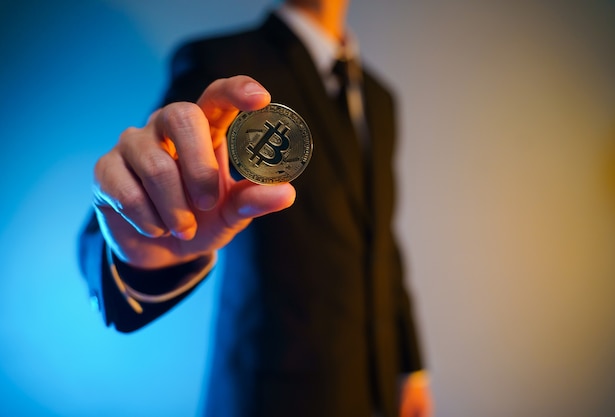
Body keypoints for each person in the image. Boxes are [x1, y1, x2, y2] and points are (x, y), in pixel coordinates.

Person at [78, 0, 432, 416]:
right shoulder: (222, 59)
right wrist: (141, 249)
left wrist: (411, 367)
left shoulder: (380, 99)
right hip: (270, 395)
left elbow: (382, 240)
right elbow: (123, 206)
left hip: (378, 392)